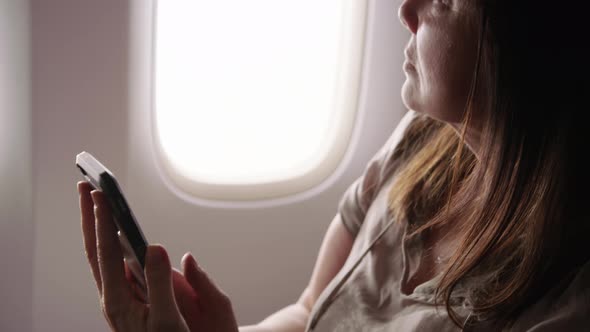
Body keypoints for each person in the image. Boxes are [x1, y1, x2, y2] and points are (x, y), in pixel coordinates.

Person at [78, 0, 590, 330]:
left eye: (445, 1)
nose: (406, 10)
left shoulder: (563, 306)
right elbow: (308, 313)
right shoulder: (417, 146)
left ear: (530, 44)